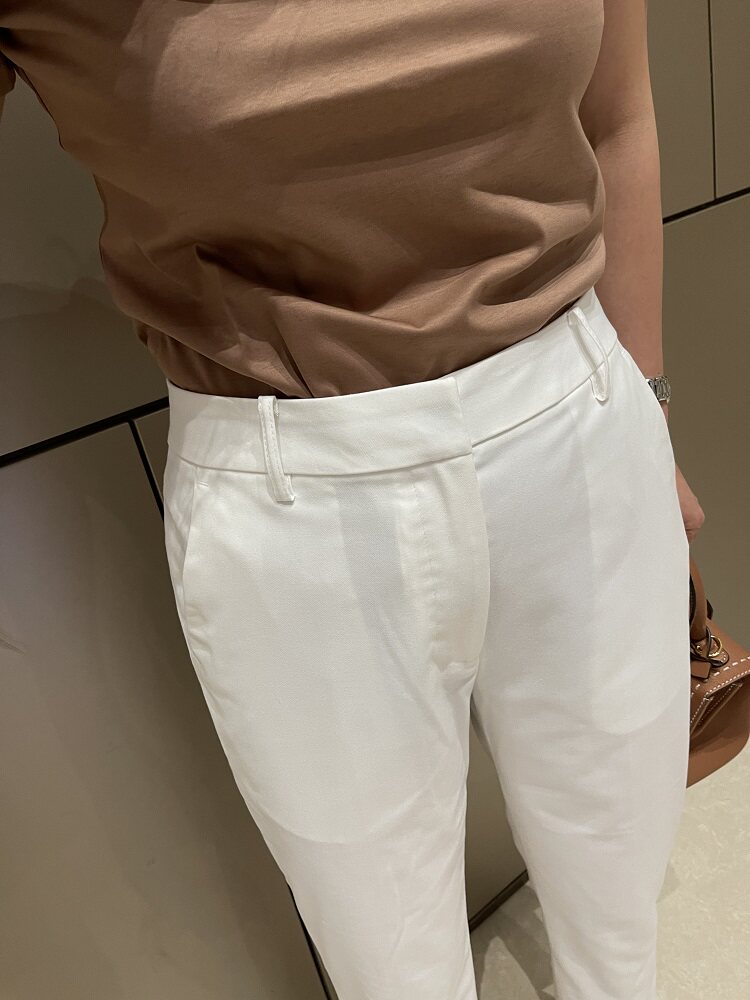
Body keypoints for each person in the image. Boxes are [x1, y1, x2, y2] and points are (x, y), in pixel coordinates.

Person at [1, 2, 706, 997]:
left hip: (580, 416)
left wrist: (649, 408)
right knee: (394, 965)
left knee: (621, 914)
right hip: (291, 494)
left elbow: (618, 114)